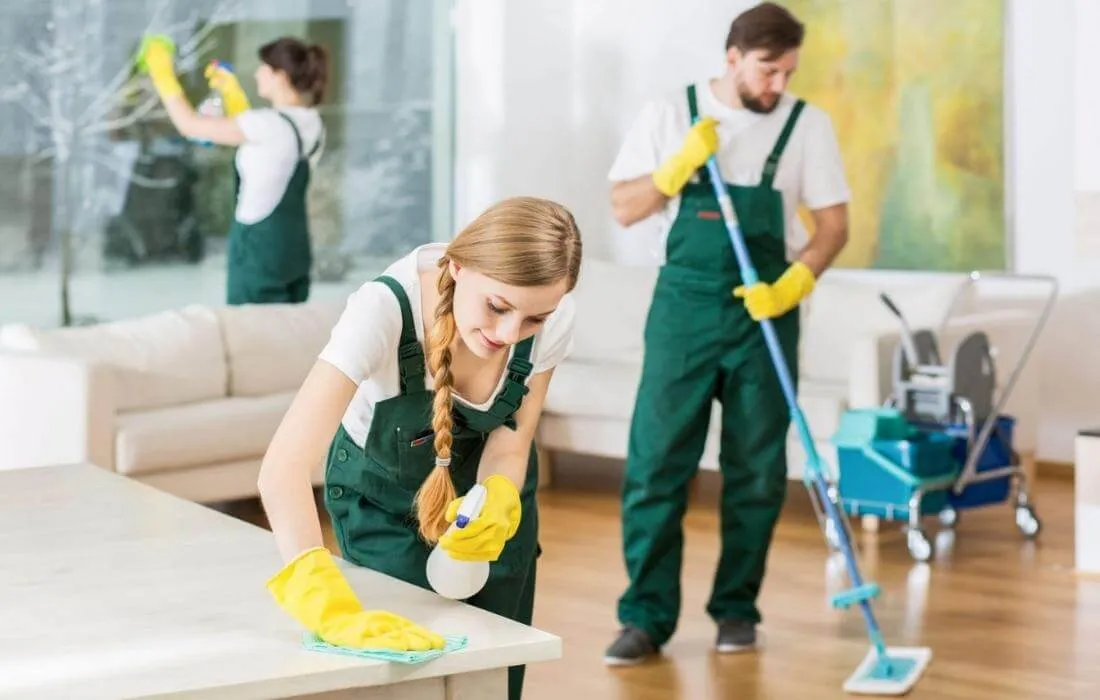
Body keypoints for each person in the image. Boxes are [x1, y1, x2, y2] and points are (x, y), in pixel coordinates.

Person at [255, 196, 582, 700]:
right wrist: (325, 605)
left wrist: (498, 493)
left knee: (490, 674)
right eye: (497, 307)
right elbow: (282, 469)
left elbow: (512, 440)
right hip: (385, 502)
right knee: (411, 677)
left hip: (488, 513)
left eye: (534, 319)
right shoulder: (383, 310)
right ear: (457, 266)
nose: (509, 334)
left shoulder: (554, 317)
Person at [603, 2, 850, 665]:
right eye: (768, 70)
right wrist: (673, 169)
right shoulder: (671, 113)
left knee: (758, 472)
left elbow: (833, 226)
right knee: (656, 466)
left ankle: (737, 610)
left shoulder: (806, 125)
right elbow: (623, 208)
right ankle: (645, 618)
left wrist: (794, 283)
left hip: (764, 314)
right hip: (682, 311)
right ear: (733, 58)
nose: (778, 85)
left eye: (788, 72)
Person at [137, 35, 327, 305]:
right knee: (287, 326)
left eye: (264, 68)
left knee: (251, 327)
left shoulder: (267, 125)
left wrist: (162, 73)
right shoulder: (312, 122)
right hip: (294, 250)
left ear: (281, 77)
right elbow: (267, 148)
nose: (258, 73)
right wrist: (231, 94)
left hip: (258, 250)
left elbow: (189, 125)